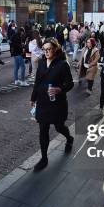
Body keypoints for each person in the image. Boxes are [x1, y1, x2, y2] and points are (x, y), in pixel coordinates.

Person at [30, 38, 74, 171]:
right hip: (43, 102)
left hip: (57, 103)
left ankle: (69, 138)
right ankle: (44, 158)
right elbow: (37, 81)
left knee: (59, 127)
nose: (46, 52)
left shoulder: (62, 64)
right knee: (43, 130)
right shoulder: (42, 62)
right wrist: (33, 98)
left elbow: (70, 84)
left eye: (48, 49)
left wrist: (60, 89)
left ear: (55, 49)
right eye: (44, 49)